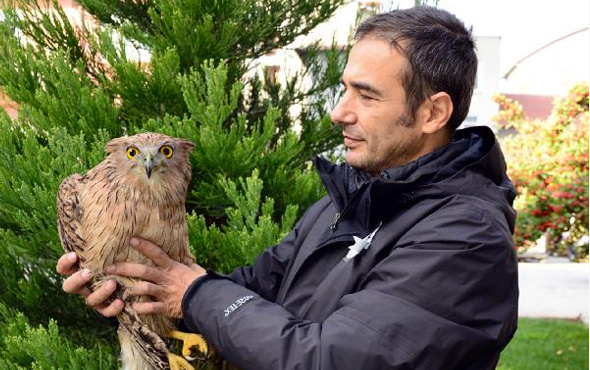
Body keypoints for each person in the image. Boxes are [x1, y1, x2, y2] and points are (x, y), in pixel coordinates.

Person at [57, 6, 519, 369]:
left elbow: (330, 359)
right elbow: (256, 290)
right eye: (344, 89)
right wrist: (147, 292)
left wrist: (194, 294)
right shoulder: (348, 201)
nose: (340, 112)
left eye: (367, 95)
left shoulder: (466, 238)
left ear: (433, 114)